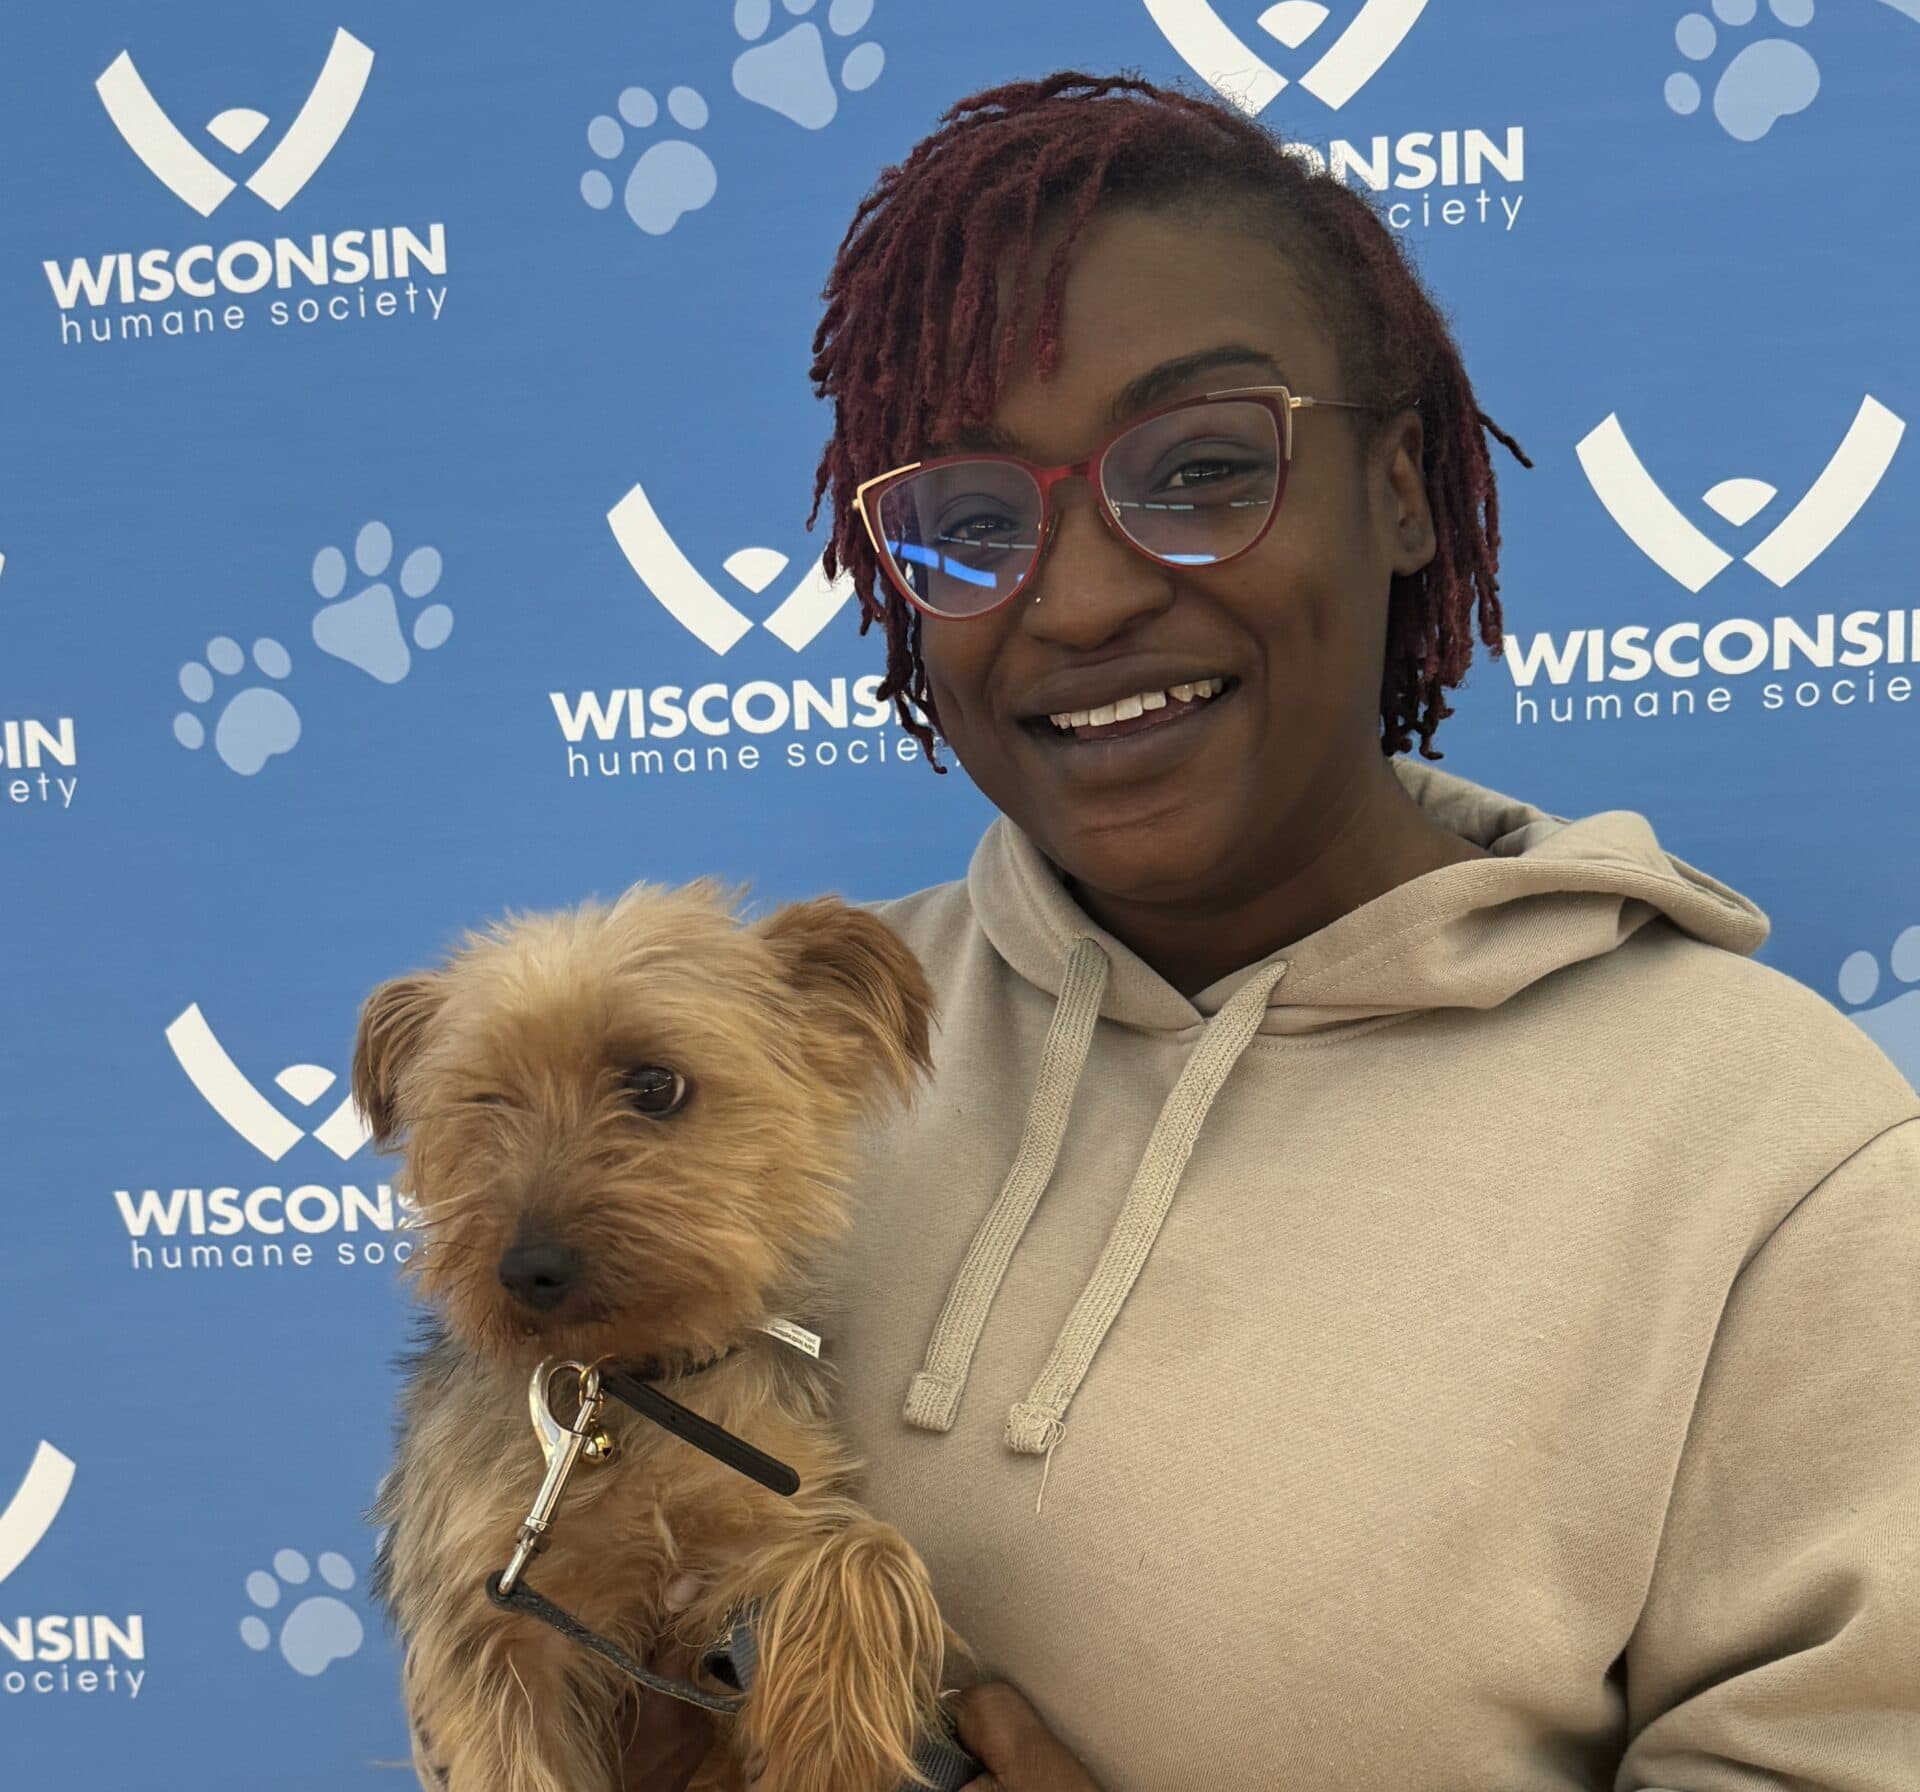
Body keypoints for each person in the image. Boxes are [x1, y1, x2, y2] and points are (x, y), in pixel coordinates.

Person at [626, 71, 1920, 1790]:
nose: (1081, 596)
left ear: (1401, 491)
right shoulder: (744, 1061)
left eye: (1203, 471)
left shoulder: (1775, 1151)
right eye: (977, 522)